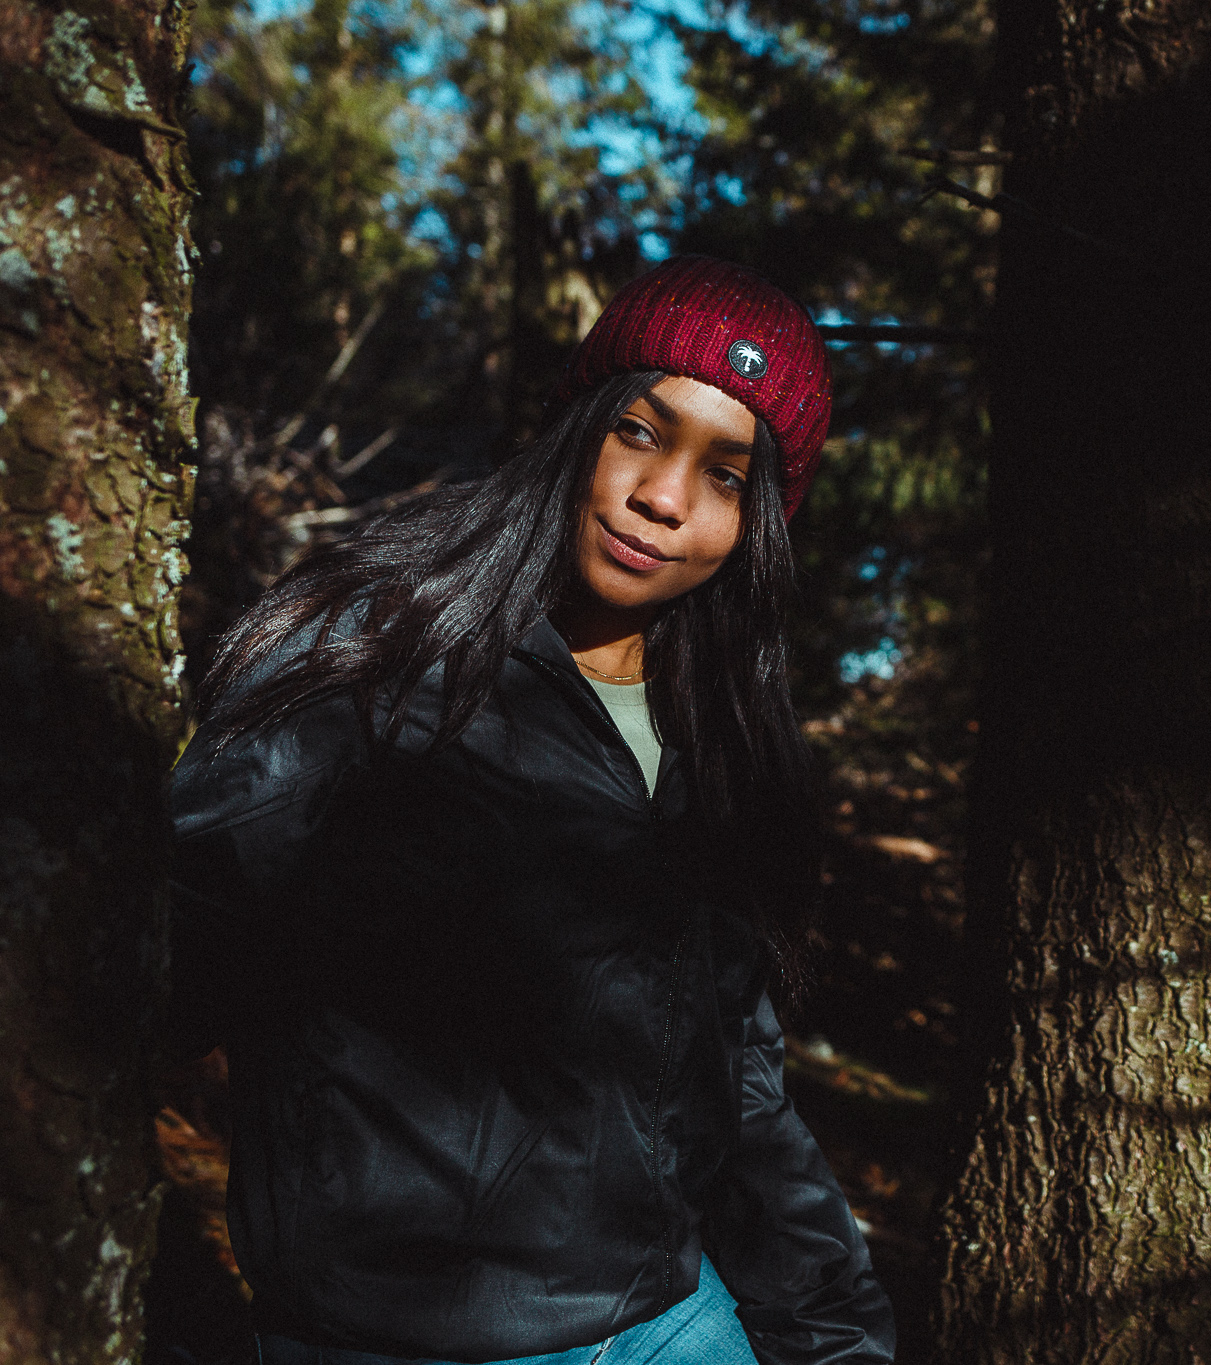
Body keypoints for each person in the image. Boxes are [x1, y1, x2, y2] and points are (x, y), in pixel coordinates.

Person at [164, 257, 895, 1365]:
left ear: (755, 525)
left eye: (726, 476)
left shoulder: (723, 745)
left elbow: (737, 1084)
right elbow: (161, 955)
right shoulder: (370, 656)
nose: (664, 499)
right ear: (576, 425)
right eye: (640, 433)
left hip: (665, 1323)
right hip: (388, 1335)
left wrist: (833, 1335)